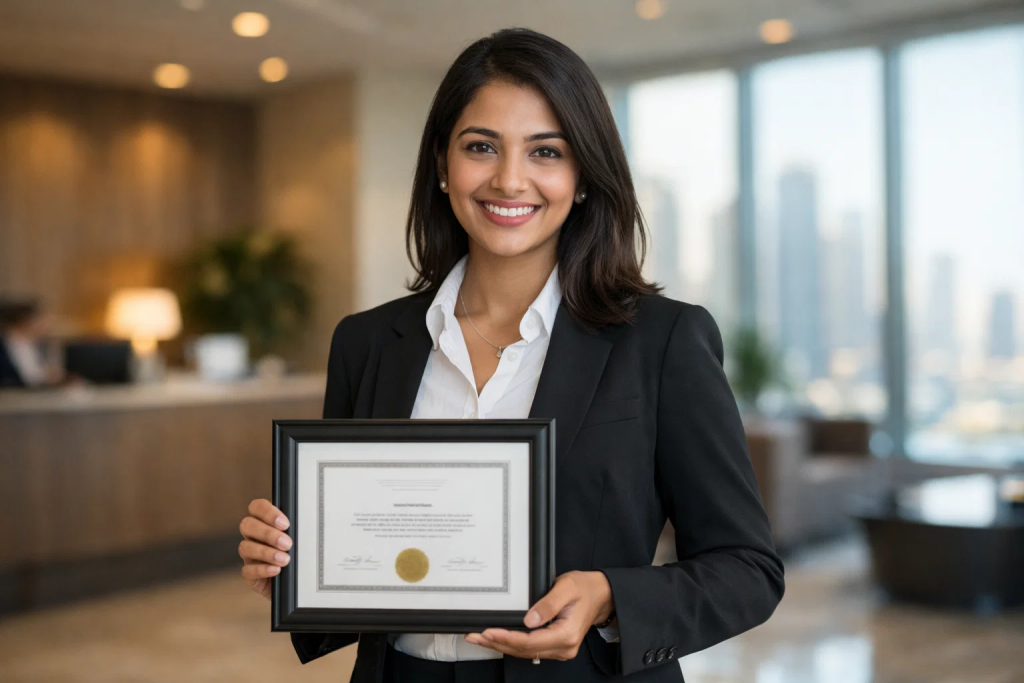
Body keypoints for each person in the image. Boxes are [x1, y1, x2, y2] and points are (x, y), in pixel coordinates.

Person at [238, 27, 783, 683]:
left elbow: (746, 567)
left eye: (545, 151)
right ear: (442, 164)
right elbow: (368, 559)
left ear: (583, 176)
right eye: (480, 147)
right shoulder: (367, 342)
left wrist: (610, 597)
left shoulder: (663, 341)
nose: (509, 178)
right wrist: (296, 570)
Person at [0, 299, 63, 389]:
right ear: (24, 321)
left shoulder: (40, 345)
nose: (42, 323)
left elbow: (47, 373)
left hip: (41, 393)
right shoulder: (4, 348)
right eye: (37, 319)